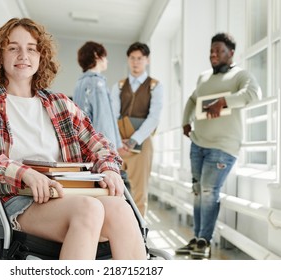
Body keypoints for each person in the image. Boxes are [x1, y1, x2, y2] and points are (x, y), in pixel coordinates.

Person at [0, 18, 146, 260]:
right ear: (0, 54)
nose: (23, 55)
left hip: (66, 196)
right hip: (12, 200)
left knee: (121, 210)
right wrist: (23, 173)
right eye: (13, 48)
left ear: (41, 57)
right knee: (89, 209)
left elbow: (100, 144)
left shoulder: (59, 104)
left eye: (31, 48)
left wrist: (110, 169)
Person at [176, 32, 261, 259]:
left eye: (219, 50)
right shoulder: (204, 77)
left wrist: (224, 101)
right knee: (197, 191)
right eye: (211, 50)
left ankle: (205, 241)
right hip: (198, 143)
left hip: (223, 147)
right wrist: (186, 121)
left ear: (231, 53)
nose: (213, 54)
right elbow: (193, 100)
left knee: (208, 191)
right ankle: (196, 240)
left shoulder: (240, 75)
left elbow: (254, 93)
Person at [111, 42, 163, 217]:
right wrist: (118, 141)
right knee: (113, 189)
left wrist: (134, 140)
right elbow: (112, 115)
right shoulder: (118, 85)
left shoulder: (155, 86)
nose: (135, 62)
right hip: (118, 143)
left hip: (141, 144)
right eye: (132, 58)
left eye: (140, 58)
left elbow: (154, 118)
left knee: (140, 193)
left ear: (147, 60)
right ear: (128, 60)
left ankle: (140, 236)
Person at [73, 41, 123, 153]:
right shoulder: (97, 83)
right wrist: (110, 148)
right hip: (100, 148)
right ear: (96, 55)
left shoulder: (80, 83)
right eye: (105, 56)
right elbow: (103, 119)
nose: (107, 60)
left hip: (84, 145)